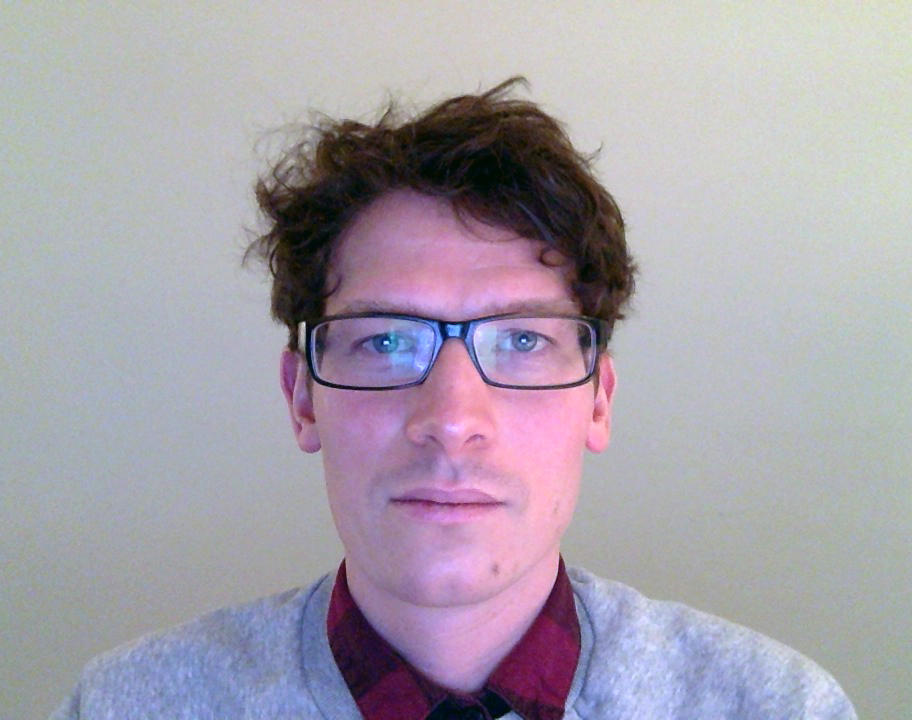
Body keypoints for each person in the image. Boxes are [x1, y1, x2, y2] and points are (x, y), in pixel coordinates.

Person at [51, 78, 856, 720]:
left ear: (598, 399)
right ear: (302, 398)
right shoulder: (125, 705)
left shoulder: (779, 706)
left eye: (523, 341)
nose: (451, 421)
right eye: (385, 342)